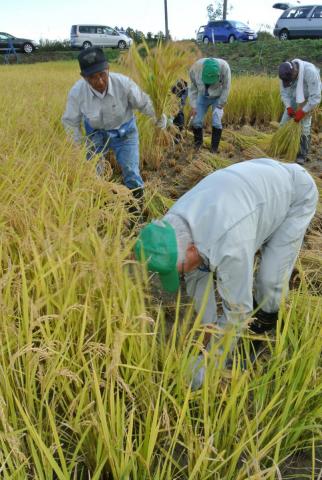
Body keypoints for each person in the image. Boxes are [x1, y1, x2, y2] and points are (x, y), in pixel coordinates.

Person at [135, 158, 318, 388]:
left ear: (192, 248)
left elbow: (239, 310)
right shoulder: (172, 228)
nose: (181, 274)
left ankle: (261, 332)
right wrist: (208, 330)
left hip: (294, 196)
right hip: (254, 192)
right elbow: (196, 281)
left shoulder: (229, 242)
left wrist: (211, 359)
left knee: (269, 281)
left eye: (178, 270)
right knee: (200, 268)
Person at [62, 47, 166, 208]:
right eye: (92, 77)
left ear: (108, 68)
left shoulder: (124, 84)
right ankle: (103, 206)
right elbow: (70, 122)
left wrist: (158, 115)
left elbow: (144, 103)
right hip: (95, 135)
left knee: (131, 170)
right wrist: (78, 146)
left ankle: (136, 207)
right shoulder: (77, 93)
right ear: (84, 77)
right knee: (93, 173)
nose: (100, 81)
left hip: (125, 133)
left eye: (102, 74)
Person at [278, 59, 321, 165]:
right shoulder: (284, 71)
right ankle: (283, 147)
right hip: (293, 96)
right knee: (283, 123)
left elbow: (315, 97)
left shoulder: (310, 72)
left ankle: (302, 154)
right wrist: (288, 107)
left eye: (290, 80)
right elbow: (284, 93)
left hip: (307, 98)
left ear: (295, 72)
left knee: (304, 126)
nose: (288, 82)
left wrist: (303, 111)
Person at [188, 57, 231, 153]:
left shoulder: (224, 68)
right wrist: (194, 105)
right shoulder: (195, 69)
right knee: (196, 121)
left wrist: (220, 105)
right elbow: (193, 88)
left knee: (216, 121)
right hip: (202, 96)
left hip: (217, 97)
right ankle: (198, 145)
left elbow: (226, 88)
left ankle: (214, 149)